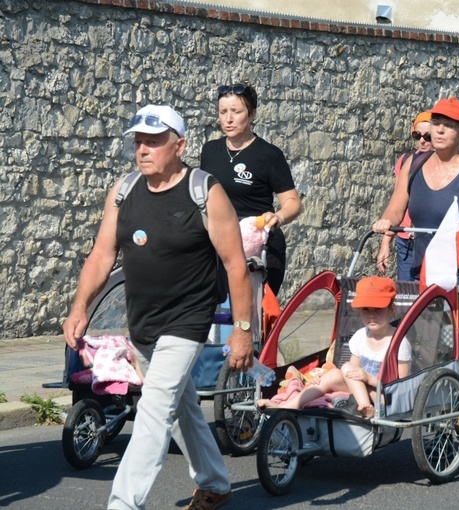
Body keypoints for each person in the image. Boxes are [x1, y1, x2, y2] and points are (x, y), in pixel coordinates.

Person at [62, 105, 255, 509]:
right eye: (138, 141)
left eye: (154, 141)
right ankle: (216, 482)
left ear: (179, 145)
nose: (143, 149)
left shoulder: (204, 191)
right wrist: (80, 307)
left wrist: (242, 328)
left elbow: (236, 263)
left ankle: (123, 503)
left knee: (152, 410)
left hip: (188, 320)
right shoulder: (125, 191)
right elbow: (102, 254)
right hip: (144, 323)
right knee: (181, 404)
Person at [373, 97, 459, 323]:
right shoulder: (413, 165)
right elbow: (395, 209)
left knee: (447, 338)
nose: (440, 130)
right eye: (436, 122)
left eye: (450, 124)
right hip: (423, 267)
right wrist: (386, 222)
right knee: (420, 336)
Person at [258, 276, 412, 418]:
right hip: (360, 390)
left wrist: (368, 378)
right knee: (341, 370)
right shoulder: (360, 336)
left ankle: (365, 406)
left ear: (390, 309)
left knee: (347, 369)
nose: (371, 315)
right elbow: (351, 372)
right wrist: (324, 375)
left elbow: (402, 388)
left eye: (378, 309)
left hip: (384, 395)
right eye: (366, 309)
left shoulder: (399, 342)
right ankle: (285, 407)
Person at [200, 84, 302, 296]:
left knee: (254, 322)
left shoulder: (269, 155)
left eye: (236, 112)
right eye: (223, 112)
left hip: (258, 248)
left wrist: (277, 218)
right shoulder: (210, 151)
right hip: (219, 246)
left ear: (252, 114)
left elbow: (293, 202)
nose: (228, 119)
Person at [378, 111, 433, 281]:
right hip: (405, 239)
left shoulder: (445, 164)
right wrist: (385, 244)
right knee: (405, 293)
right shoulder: (405, 160)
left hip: (431, 239)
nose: (422, 141)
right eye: (417, 135)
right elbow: (396, 204)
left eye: (428, 136)